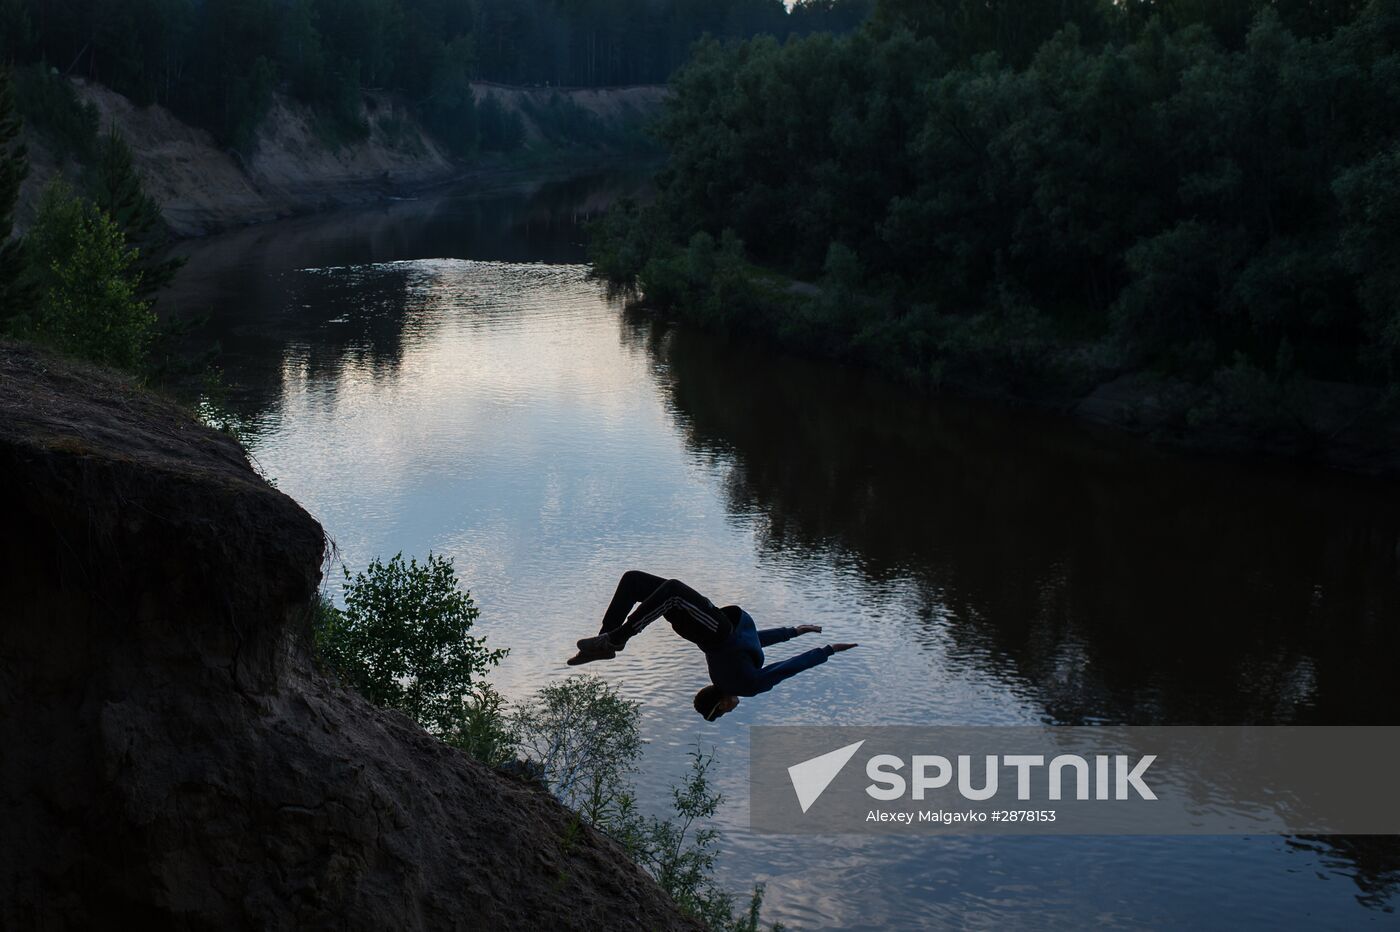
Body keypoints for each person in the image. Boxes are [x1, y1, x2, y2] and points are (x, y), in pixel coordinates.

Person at [567, 570, 858, 721]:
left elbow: (788, 669)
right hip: (708, 626)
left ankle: (614, 639)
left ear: (721, 703)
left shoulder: (745, 685)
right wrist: (793, 632)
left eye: (727, 711)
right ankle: (606, 639)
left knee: (672, 590)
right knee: (635, 582)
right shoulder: (735, 675)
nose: (733, 708)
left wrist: (826, 651)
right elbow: (752, 642)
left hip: (713, 628)